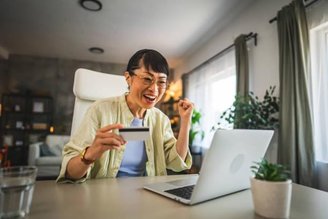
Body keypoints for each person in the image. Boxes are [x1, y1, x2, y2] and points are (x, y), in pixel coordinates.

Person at [57, 49, 193, 182]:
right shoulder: (99, 110)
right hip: (104, 197)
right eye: (147, 78)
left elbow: (176, 163)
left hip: (147, 195)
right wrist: (89, 155)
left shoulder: (160, 119)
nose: (154, 89)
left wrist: (186, 121)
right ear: (128, 78)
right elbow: (70, 173)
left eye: (161, 82)